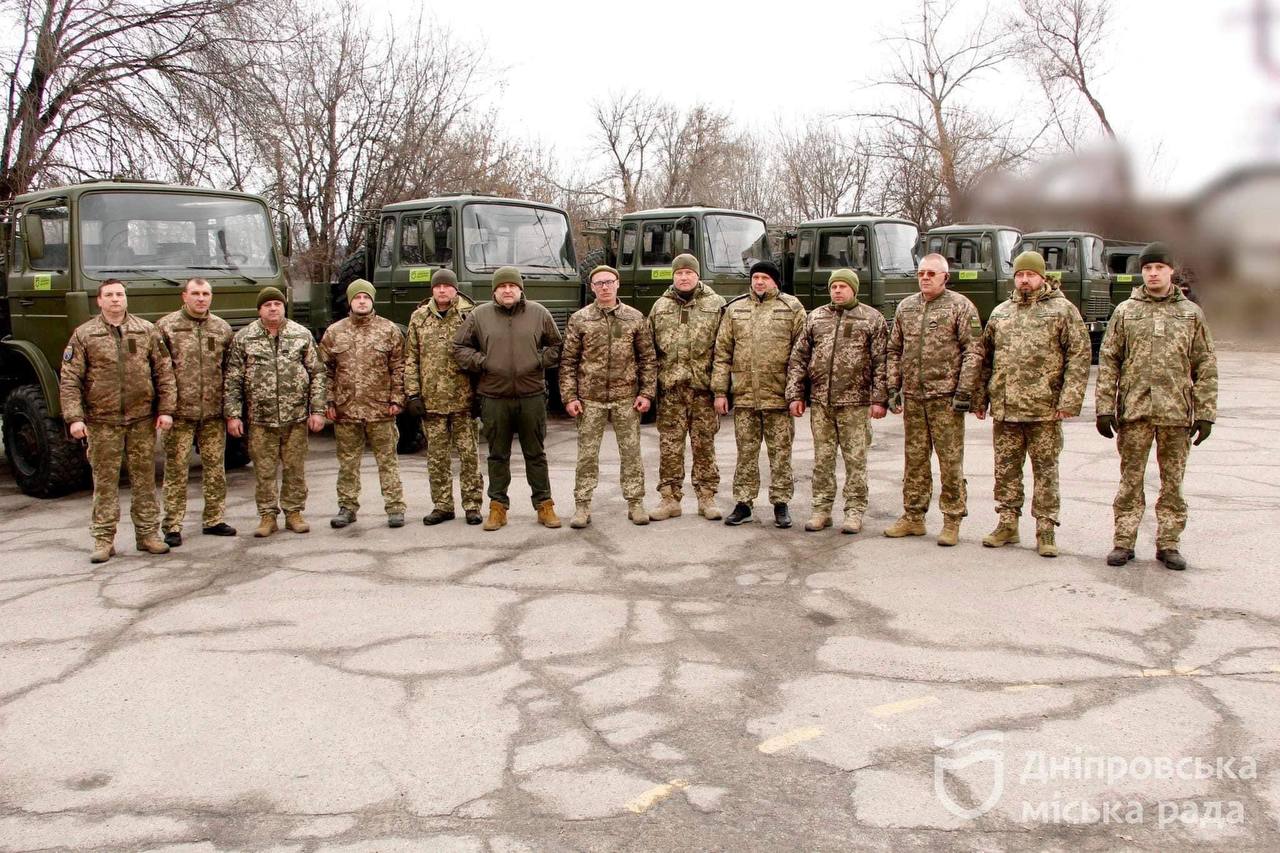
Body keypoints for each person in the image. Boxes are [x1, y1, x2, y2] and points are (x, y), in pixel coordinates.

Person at [1095, 242, 1217, 570]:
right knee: (1130, 480)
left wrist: (1205, 412)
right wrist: (1104, 407)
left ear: (1171, 271)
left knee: (1173, 483)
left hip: (1176, 412)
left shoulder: (1190, 313)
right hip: (1135, 412)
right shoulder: (1126, 311)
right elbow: (1109, 361)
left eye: (1159, 268)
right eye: (1147, 268)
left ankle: (1169, 543)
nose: (1152, 273)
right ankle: (1123, 541)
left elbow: (1205, 364)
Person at [974, 252, 1089, 557]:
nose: (1024, 280)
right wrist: (980, 398)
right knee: (1005, 470)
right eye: (1020, 275)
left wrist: (1069, 400)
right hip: (1006, 408)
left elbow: (1079, 356)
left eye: (1030, 275)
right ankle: (1007, 523)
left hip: (1044, 409)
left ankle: (1046, 529)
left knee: (1046, 471)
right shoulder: (1001, 313)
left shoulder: (1062, 310)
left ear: (1042, 276)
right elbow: (986, 359)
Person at [59, 279, 176, 562]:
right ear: (99, 301)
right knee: (105, 483)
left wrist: (166, 410)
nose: (115, 299)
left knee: (145, 481)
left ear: (126, 298)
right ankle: (103, 539)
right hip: (102, 421)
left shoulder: (146, 330)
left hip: (141, 420)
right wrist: (75, 418)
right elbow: (70, 379)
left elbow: (164, 371)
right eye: (109, 295)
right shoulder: (85, 335)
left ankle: (148, 535)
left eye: (120, 294)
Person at [453, 266, 563, 531]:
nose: (507, 290)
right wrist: (483, 361)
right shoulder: (479, 315)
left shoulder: (539, 313)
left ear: (520, 289)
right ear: (494, 291)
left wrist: (538, 360)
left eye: (512, 286)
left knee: (535, 454)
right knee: (497, 455)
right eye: (502, 287)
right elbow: (458, 347)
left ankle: (544, 505)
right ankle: (497, 507)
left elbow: (557, 346)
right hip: (494, 396)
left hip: (531, 395)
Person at [885, 253, 983, 546]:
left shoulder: (960, 306)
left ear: (945, 277)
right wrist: (893, 387)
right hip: (915, 398)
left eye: (931, 273)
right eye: (921, 273)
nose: (925, 278)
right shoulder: (906, 307)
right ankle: (913, 516)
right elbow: (894, 349)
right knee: (915, 461)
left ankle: (952, 519)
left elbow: (973, 351)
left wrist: (964, 391)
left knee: (950, 462)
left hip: (946, 399)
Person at [785, 269, 888, 534]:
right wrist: (796, 394)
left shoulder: (871, 319)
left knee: (855, 460)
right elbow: (799, 358)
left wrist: (880, 399)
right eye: (834, 287)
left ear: (854, 289)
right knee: (822, 460)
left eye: (843, 286)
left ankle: (854, 511)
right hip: (822, 403)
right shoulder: (816, 317)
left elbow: (881, 362)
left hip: (856, 403)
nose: (838, 291)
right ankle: (821, 509)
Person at [224, 287, 327, 537]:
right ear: (259, 309)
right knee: (264, 470)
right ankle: (267, 516)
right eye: (267, 305)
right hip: (260, 419)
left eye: (277, 304)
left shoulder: (301, 334)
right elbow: (233, 378)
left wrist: (317, 410)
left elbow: (317, 373)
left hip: (295, 418)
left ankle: (294, 513)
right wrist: (233, 414)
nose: (273, 308)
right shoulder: (244, 338)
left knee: (295, 468)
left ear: (284, 307)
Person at [561, 264, 658, 528]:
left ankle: (635, 503)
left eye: (609, 282)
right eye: (599, 283)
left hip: (626, 397)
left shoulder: (634, 318)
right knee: (587, 455)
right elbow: (568, 361)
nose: (604, 287)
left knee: (631, 453)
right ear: (592, 288)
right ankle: (582, 505)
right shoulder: (580, 319)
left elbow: (648, 359)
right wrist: (570, 396)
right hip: (589, 399)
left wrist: (646, 393)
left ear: (617, 284)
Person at [711, 260, 806, 528]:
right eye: (755, 277)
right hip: (745, 396)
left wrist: (797, 394)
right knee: (746, 454)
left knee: (781, 454)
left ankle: (781, 503)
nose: (760, 282)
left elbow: (801, 355)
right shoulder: (736, 309)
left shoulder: (792, 308)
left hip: (779, 397)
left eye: (765, 277)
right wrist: (720, 391)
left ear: (775, 281)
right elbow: (722, 353)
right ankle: (743, 503)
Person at [320, 279, 407, 529]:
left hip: (381, 409)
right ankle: (347, 507)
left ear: (372, 300)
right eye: (357, 297)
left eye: (366, 297)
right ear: (350, 302)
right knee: (348, 463)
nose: (361, 301)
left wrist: (397, 399)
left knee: (388, 461)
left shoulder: (389, 330)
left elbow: (399, 367)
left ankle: (395, 507)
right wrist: (329, 401)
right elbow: (324, 370)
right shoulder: (334, 332)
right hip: (346, 410)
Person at [156, 277, 236, 546]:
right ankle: (172, 525)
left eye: (205, 294)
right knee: (176, 470)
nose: (201, 298)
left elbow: (230, 371)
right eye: (195, 293)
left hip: (213, 413)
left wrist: (229, 409)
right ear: (184, 296)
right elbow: (159, 371)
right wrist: (165, 408)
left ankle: (214, 519)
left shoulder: (222, 329)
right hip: (179, 413)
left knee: (215, 469)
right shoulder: (166, 327)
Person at [648, 253, 726, 521]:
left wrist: (721, 390)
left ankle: (707, 497)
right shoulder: (660, 306)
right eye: (679, 273)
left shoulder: (716, 304)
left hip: (703, 390)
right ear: (673, 276)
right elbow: (649, 351)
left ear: (697, 275)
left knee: (704, 445)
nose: (683, 277)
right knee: (670, 446)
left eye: (688, 273)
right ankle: (670, 498)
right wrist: (649, 390)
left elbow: (724, 350)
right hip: (671, 391)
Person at [405, 268, 483, 526]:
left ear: (455, 289)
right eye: (437, 286)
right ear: (432, 290)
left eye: (447, 286)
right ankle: (442, 505)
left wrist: (480, 394)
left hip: (464, 401)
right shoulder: (419, 317)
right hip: (432, 401)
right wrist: (413, 394)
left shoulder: (470, 316)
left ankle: (472, 505)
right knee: (437, 458)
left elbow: (482, 356)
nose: (442, 290)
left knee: (469, 456)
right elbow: (411, 358)